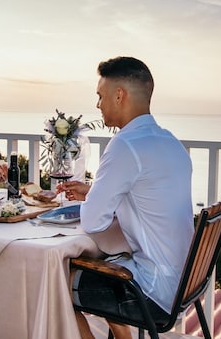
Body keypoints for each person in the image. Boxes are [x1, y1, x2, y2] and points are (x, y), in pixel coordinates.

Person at [57, 57, 193, 339]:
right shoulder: (170, 141)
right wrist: (96, 193)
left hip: (152, 292)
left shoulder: (125, 145)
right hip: (182, 284)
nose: (97, 104)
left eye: (100, 96)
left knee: (56, 279)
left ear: (119, 95)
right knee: (111, 262)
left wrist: (94, 202)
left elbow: (93, 222)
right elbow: (147, 200)